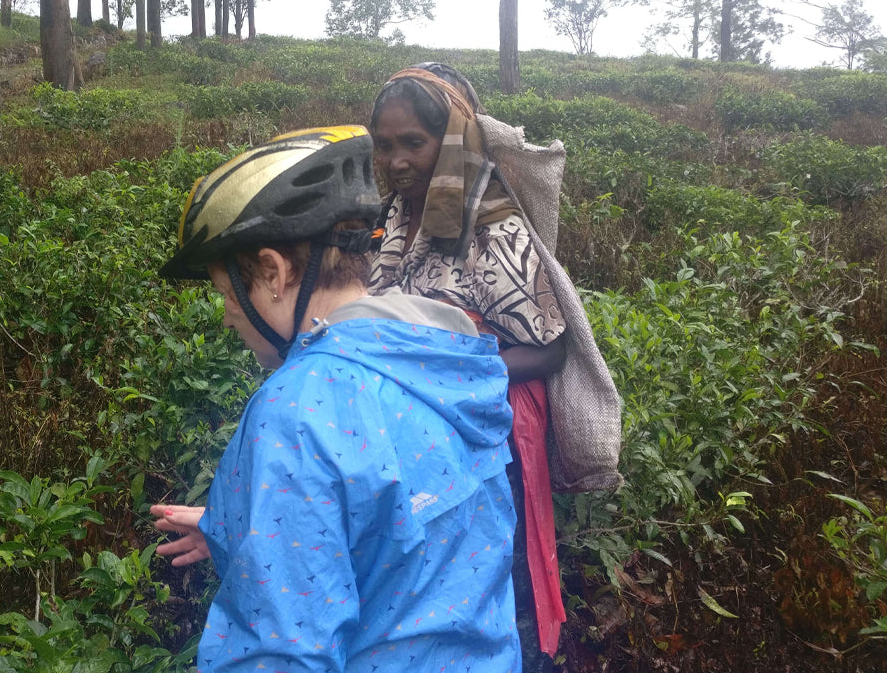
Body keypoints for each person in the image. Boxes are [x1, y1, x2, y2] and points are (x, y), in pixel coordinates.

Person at [150, 126, 522, 673]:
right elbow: (402, 515)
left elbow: (282, 652)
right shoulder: (445, 356)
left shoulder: (297, 411)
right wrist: (249, 523)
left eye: (229, 295)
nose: (228, 316)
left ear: (275, 274)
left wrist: (277, 514)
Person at [368, 63, 586, 672]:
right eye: (385, 145)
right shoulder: (400, 217)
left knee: (495, 572)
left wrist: (453, 366)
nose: (397, 160)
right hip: (427, 428)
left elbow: (549, 347)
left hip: (492, 436)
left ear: (454, 138)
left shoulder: (493, 223)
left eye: (414, 142)